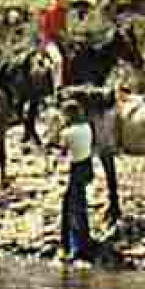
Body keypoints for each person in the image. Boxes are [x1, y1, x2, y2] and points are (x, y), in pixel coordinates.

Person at [56, 100, 94, 262]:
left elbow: (62, 151)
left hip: (76, 168)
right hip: (87, 166)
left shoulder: (68, 133)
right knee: (81, 205)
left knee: (71, 208)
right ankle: (83, 240)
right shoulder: (87, 127)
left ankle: (73, 246)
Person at [37, 0, 73, 88]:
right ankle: (57, 87)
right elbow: (54, 30)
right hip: (49, 41)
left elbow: (64, 28)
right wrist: (66, 37)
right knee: (58, 60)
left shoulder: (64, 10)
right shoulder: (53, 10)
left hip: (60, 40)